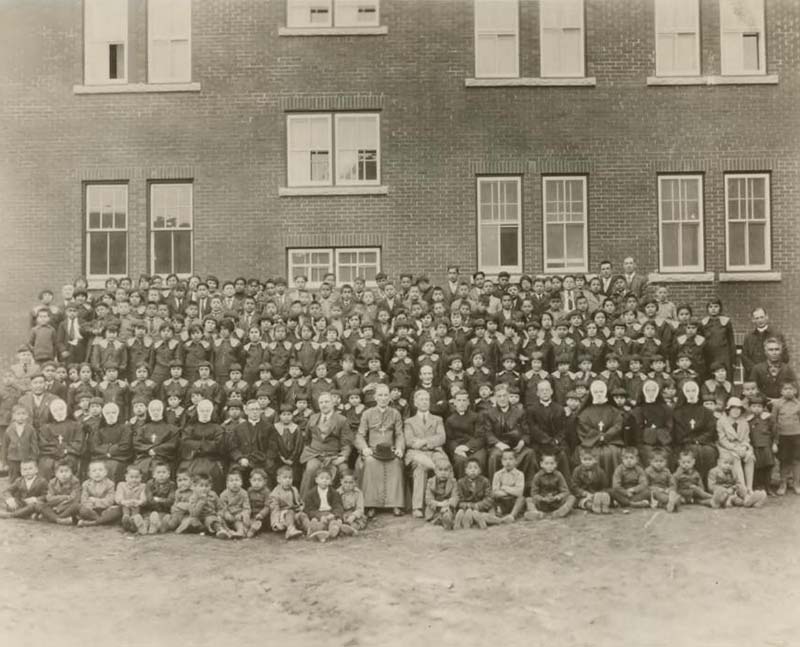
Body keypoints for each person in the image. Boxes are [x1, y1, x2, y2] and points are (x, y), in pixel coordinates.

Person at [355, 384, 405, 517]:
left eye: (386, 395)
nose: (383, 398)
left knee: (396, 464)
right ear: (375, 397)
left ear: (389, 397)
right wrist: (365, 448)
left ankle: (395, 504)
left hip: (390, 451)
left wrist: (400, 448)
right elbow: (360, 435)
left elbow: (399, 434)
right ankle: (371, 505)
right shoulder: (367, 413)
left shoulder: (395, 413)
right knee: (370, 463)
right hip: (372, 450)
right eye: (380, 395)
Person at [404, 390, 448, 518]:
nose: (424, 402)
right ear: (415, 403)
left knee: (444, 465)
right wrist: (423, 443)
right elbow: (409, 440)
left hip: (435, 451)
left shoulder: (437, 419)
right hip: (416, 453)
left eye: (427, 400)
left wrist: (423, 441)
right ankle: (418, 506)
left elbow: (441, 437)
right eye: (421, 400)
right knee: (420, 467)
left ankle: (445, 502)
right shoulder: (409, 422)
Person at [299, 393, 351, 498]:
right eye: (321, 402)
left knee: (344, 470)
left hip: (333, 455)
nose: (324, 405)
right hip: (315, 454)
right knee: (311, 468)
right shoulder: (313, 418)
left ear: (333, 403)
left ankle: (341, 501)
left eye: (327, 402)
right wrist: (309, 450)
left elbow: (346, 443)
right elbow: (307, 439)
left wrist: (343, 456)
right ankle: (305, 502)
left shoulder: (341, 420)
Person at [481, 383, 533, 482]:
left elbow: (526, 432)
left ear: (509, 396)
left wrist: (522, 442)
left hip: (516, 445)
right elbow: (488, 433)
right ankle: (495, 487)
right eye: (499, 396)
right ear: (495, 398)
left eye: (504, 396)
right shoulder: (489, 413)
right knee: (495, 456)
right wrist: (499, 444)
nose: (502, 399)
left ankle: (525, 487)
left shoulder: (519, 412)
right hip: (498, 445)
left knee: (530, 453)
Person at [576, 381, 623, 487]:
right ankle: (593, 486)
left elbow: (617, 425)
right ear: (592, 393)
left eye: (601, 391)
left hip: (611, 442)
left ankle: (614, 486)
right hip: (592, 443)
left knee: (613, 452)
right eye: (596, 391)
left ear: (606, 392)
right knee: (593, 454)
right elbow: (583, 428)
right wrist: (598, 437)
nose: (599, 394)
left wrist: (605, 436)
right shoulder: (585, 412)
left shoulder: (614, 410)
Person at [672, 380, 718, 484]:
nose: (691, 393)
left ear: (697, 392)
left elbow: (710, 429)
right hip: (685, 442)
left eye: (693, 390)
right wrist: (691, 440)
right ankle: (691, 483)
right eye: (688, 391)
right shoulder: (677, 412)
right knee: (694, 451)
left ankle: (708, 484)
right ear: (683, 393)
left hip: (704, 441)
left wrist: (699, 440)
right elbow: (677, 431)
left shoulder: (706, 411)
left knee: (709, 452)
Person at [179, 399, 225, 492]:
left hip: (211, 458)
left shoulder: (217, 428)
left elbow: (219, 443)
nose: (205, 413)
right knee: (187, 471)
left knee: (212, 472)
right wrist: (203, 445)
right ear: (198, 411)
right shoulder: (191, 427)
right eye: (202, 411)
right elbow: (185, 441)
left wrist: (199, 445)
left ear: (211, 412)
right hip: (193, 458)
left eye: (207, 411)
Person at [716, 397, 756, 493]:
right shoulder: (721, 421)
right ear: (728, 410)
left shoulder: (743, 421)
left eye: (738, 409)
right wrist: (735, 449)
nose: (736, 411)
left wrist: (744, 447)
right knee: (735, 458)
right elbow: (722, 440)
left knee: (750, 457)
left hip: (742, 446)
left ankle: (750, 487)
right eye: (733, 408)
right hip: (727, 448)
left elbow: (747, 438)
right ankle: (742, 488)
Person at [37, 398, 82, 480]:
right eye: (55, 410)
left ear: (66, 409)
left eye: (61, 409)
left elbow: (78, 442)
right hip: (51, 455)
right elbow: (44, 444)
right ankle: (49, 489)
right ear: (51, 412)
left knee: (69, 461)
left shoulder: (75, 426)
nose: (59, 412)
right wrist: (57, 451)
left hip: (69, 454)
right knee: (46, 465)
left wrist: (65, 450)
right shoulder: (45, 428)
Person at [632, 379, 674, 468]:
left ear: (657, 391)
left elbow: (669, 426)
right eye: (648, 390)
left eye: (653, 390)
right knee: (646, 453)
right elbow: (637, 429)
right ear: (643, 392)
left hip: (663, 442)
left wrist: (658, 434)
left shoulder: (666, 409)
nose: (651, 393)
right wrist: (650, 435)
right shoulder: (638, 409)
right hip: (645, 443)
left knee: (666, 453)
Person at [132, 400, 178, 480]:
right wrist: (149, 449)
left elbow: (172, 444)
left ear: (162, 411)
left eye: (158, 410)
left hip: (163, 458)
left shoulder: (171, 429)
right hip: (145, 457)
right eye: (153, 410)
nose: (155, 412)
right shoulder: (143, 428)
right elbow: (137, 443)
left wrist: (156, 450)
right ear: (149, 411)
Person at [445, 390, 486, 478]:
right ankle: (461, 488)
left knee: (479, 460)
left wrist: (467, 447)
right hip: (458, 448)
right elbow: (449, 439)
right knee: (460, 461)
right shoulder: (450, 420)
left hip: (475, 448)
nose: (461, 403)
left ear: (468, 402)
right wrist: (457, 449)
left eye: (464, 400)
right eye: (459, 400)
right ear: (454, 402)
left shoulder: (476, 416)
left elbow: (480, 437)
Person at [90, 402, 133, 483]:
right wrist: (107, 453)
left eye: (113, 412)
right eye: (107, 413)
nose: (111, 415)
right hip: (101, 456)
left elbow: (125, 445)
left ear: (118, 414)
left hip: (119, 458)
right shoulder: (99, 429)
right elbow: (95, 446)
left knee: (113, 466)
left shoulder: (125, 428)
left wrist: (110, 452)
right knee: (96, 467)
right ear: (104, 414)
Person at [525, 453, 575, 520]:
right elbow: (534, 493)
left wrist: (558, 497)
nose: (549, 466)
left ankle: (560, 512)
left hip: (556, 502)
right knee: (529, 499)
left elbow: (565, 491)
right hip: (542, 503)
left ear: (555, 464)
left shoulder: (558, 475)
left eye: (552, 463)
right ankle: (536, 513)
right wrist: (542, 498)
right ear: (541, 464)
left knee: (572, 497)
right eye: (546, 463)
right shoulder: (537, 476)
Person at [741, 308, 789, 377]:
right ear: (753, 320)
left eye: (762, 317)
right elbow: (744, 357)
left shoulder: (777, 335)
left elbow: (785, 356)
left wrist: (773, 368)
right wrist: (756, 370)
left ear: (766, 317)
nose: (760, 320)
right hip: (754, 376)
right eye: (757, 318)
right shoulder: (748, 337)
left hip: (773, 376)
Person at [299, 469, 344, 542]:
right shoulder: (311, 494)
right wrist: (319, 516)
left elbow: (338, 506)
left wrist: (334, 514)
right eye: (322, 478)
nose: (324, 480)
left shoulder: (334, 493)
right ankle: (320, 532)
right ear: (316, 480)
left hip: (330, 513)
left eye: (327, 478)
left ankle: (333, 530)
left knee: (333, 521)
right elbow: (309, 509)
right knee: (316, 522)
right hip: (317, 514)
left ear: (330, 481)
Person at [772, 382, 800, 495]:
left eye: (791, 389)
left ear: (795, 391)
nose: (788, 391)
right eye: (785, 389)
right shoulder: (777, 404)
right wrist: (775, 439)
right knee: (784, 461)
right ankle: (782, 484)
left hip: (797, 436)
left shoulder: (798, 404)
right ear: (781, 391)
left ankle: (796, 483)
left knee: (796, 460)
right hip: (782, 436)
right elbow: (773, 421)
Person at [77, 460, 121, 527]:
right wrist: (90, 506)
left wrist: (95, 500)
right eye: (94, 471)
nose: (97, 473)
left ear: (105, 472)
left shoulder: (110, 484)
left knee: (118, 510)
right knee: (82, 510)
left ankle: (91, 523)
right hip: (91, 510)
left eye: (100, 470)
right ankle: (102, 520)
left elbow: (110, 501)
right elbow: (84, 500)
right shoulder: (86, 484)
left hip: (106, 509)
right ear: (89, 474)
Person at [454, 457, 494, 530]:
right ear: (465, 471)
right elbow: (459, 499)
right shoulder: (460, 482)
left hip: (480, 507)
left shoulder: (485, 481)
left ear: (480, 471)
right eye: (470, 468)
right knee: (463, 511)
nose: (473, 470)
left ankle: (479, 520)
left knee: (484, 513)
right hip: (466, 507)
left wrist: (478, 506)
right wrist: (468, 505)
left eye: (475, 468)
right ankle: (462, 523)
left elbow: (489, 498)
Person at [39, 459, 82, 524]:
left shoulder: (75, 481)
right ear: (56, 474)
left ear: (71, 472)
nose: (64, 474)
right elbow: (50, 498)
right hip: (55, 506)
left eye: (67, 471)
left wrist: (59, 506)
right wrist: (64, 497)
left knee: (76, 506)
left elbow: (74, 498)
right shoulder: (52, 482)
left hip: (67, 507)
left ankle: (53, 517)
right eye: (61, 472)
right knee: (42, 506)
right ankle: (59, 519)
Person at [268, 465, 304, 540]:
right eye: (285, 478)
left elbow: (300, 501)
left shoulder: (294, 489)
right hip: (282, 517)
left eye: (290, 478)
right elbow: (274, 509)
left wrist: (301, 506)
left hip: (294, 513)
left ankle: (310, 528)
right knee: (290, 512)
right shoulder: (275, 493)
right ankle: (290, 529)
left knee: (303, 515)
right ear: (278, 479)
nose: (288, 480)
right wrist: (275, 523)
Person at [3, 405, 37, 482]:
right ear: (13, 416)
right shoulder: (9, 430)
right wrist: (5, 462)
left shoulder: (30, 429)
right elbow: (5, 446)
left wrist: (33, 458)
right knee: (14, 478)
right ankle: (14, 490)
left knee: (27, 477)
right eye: (18, 414)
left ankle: (26, 490)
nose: (21, 416)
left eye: (23, 414)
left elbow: (34, 444)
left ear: (27, 415)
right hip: (13, 459)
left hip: (26, 458)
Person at [571, 448, 610, 514]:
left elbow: (604, 484)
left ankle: (603, 505)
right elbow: (574, 486)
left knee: (606, 494)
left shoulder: (600, 471)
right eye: (585, 459)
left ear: (595, 460)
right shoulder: (577, 470)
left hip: (596, 494)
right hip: (582, 496)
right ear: (580, 459)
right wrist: (584, 493)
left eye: (590, 459)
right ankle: (593, 507)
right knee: (585, 503)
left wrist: (598, 493)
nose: (587, 462)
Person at [217, 468, 251, 539]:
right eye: (231, 481)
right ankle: (225, 531)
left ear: (241, 482)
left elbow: (247, 508)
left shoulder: (244, 493)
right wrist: (226, 513)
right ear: (227, 484)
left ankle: (239, 532)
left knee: (241, 522)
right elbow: (221, 508)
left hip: (237, 517)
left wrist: (241, 514)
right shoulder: (223, 494)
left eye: (237, 480)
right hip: (227, 516)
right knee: (219, 518)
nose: (234, 483)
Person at [143, 462, 176, 534]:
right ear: (154, 475)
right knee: (148, 518)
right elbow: (150, 499)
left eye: (164, 472)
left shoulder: (171, 484)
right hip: (151, 509)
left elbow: (170, 500)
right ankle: (146, 527)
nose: (161, 475)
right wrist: (162, 501)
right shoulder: (150, 483)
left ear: (168, 474)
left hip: (164, 510)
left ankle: (158, 526)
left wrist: (158, 500)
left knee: (166, 518)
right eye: (158, 472)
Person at [424, 458, 457, 530]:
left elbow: (455, 497)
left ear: (450, 471)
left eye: (446, 470)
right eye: (440, 470)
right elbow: (428, 499)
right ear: (435, 471)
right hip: (435, 508)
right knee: (436, 514)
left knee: (448, 513)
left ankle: (446, 520)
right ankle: (441, 519)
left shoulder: (453, 482)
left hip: (448, 507)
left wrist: (447, 504)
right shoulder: (430, 482)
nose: (443, 473)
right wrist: (440, 504)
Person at [644, 448, 679, 512]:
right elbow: (645, 485)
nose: (659, 463)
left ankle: (668, 503)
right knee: (658, 495)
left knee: (675, 494)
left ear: (665, 462)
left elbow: (672, 483)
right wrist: (656, 488)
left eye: (661, 461)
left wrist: (669, 489)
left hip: (665, 491)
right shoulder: (648, 471)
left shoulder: (667, 471)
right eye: (656, 461)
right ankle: (669, 502)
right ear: (651, 462)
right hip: (653, 491)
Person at [115, 464, 147, 534]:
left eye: (137, 477)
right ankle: (126, 519)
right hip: (125, 506)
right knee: (125, 507)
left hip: (136, 507)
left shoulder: (143, 486)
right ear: (126, 477)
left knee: (136, 507)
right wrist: (124, 502)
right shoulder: (121, 485)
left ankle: (134, 521)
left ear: (141, 477)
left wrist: (139, 502)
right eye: (131, 477)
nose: (134, 479)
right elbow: (118, 496)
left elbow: (143, 497)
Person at [337, 469, 367, 534]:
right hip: (342, 514)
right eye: (345, 482)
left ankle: (349, 528)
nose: (348, 485)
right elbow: (336, 507)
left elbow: (360, 509)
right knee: (336, 520)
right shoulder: (337, 493)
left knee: (360, 520)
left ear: (355, 483)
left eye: (351, 482)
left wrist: (353, 516)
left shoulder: (358, 493)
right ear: (341, 481)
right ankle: (340, 528)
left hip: (354, 514)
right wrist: (341, 515)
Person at [246, 468, 271, 537]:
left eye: (259, 480)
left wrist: (261, 514)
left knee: (261, 522)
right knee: (246, 519)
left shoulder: (266, 492)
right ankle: (247, 527)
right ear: (250, 481)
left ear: (265, 482)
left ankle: (253, 530)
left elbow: (267, 506)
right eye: (254, 480)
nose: (256, 483)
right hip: (252, 514)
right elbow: (247, 503)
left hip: (263, 516)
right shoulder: (249, 491)